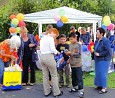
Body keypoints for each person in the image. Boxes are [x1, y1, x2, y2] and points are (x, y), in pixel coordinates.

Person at [40, 28, 63, 97]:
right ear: (52, 32)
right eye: (55, 36)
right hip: (49, 57)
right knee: (54, 75)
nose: (55, 37)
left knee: (45, 75)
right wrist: (57, 52)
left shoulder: (42, 38)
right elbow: (52, 49)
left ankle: (46, 92)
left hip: (42, 57)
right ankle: (56, 92)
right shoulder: (50, 39)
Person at [65, 33, 84, 98]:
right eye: (69, 39)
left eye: (72, 39)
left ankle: (81, 90)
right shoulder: (70, 44)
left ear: (75, 38)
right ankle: (75, 87)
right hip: (72, 63)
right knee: (73, 77)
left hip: (78, 64)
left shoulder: (78, 44)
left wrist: (71, 53)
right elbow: (70, 53)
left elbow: (79, 54)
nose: (70, 40)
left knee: (79, 78)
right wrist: (68, 54)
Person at [94, 27, 111, 94]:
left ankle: (104, 88)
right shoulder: (97, 40)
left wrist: (100, 54)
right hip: (97, 59)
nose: (96, 33)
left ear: (101, 33)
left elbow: (108, 51)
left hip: (104, 59)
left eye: (98, 32)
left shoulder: (106, 41)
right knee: (98, 73)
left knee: (103, 73)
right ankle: (99, 85)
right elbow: (95, 48)